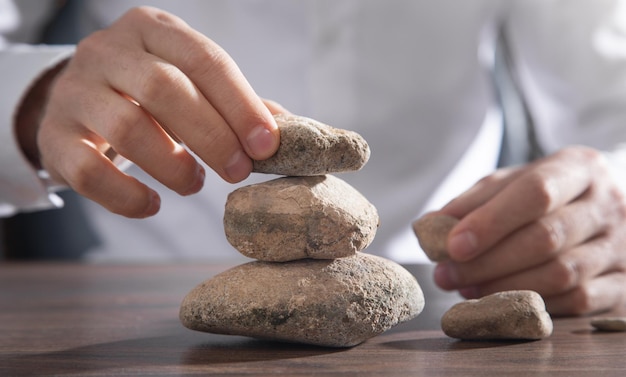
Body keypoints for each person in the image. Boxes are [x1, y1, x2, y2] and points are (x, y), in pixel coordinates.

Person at [1, 0, 625, 316]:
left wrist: (610, 189)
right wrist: (32, 97)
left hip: (439, 290)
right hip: (120, 304)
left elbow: (613, 104)